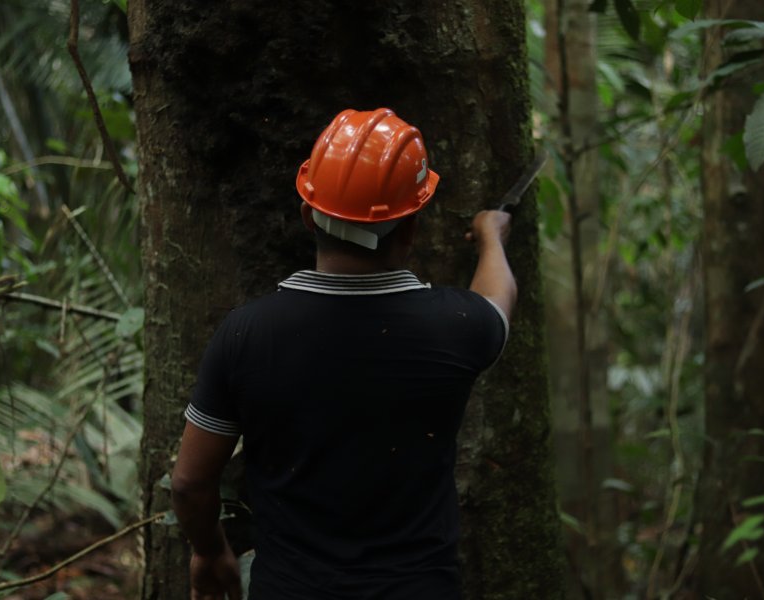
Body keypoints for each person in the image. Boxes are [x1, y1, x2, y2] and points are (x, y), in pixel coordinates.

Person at [171, 107, 517, 600]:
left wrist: (209, 551)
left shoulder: (246, 334)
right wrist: (491, 237)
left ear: (308, 213)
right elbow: (496, 300)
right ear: (410, 231)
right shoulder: (455, 326)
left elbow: (189, 482)